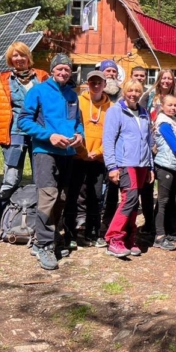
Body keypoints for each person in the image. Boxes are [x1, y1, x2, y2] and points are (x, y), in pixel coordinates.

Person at [18, 53, 84, 271]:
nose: (63, 72)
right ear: (52, 70)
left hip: (67, 154)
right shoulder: (38, 91)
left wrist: (79, 136)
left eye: (67, 69)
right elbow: (24, 121)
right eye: (59, 69)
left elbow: (77, 123)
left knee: (62, 198)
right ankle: (43, 245)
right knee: (48, 196)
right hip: (44, 151)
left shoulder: (72, 95)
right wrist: (49, 136)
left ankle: (50, 235)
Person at [0, 44, 49, 229]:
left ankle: (37, 222)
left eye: (22, 55)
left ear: (28, 57)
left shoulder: (42, 77)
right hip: (13, 135)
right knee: (11, 178)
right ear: (10, 59)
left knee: (40, 178)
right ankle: (0, 221)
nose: (19, 59)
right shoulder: (2, 80)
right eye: (14, 56)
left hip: (39, 135)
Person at [102, 79, 154, 259]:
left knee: (134, 201)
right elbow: (108, 140)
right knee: (128, 199)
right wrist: (112, 167)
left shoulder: (144, 113)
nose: (133, 94)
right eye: (130, 90)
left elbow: (148, 141)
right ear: (124, 91)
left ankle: (129, 239)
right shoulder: (115, 111)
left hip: (142, 164)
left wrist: (150, 166)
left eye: (137, 91)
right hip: (125, 162)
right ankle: (114, 238)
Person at [63, 71, 110, 249]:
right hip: (77, 156)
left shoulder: (111, 107)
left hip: (98, 159)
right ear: (87, 84)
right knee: (73, 196)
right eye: (92, 82)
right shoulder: (77, 102)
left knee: (95, 197)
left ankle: (92, 232)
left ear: (105, 84)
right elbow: (72, 127)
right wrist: (82, 151)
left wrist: (98, 152)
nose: (96, 85)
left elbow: (112, 135)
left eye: (99, 82)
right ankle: (70, 234)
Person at [153, 94, 176, 251]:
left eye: (175, 105)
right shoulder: (164, 123)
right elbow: (174, 146)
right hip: (165, 165)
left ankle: (167, 230)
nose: (173, 108)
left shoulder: (174, 121)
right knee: (163, 201)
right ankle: (159, 236)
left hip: (175, 166)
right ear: (162, 105)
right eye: (170, 105)